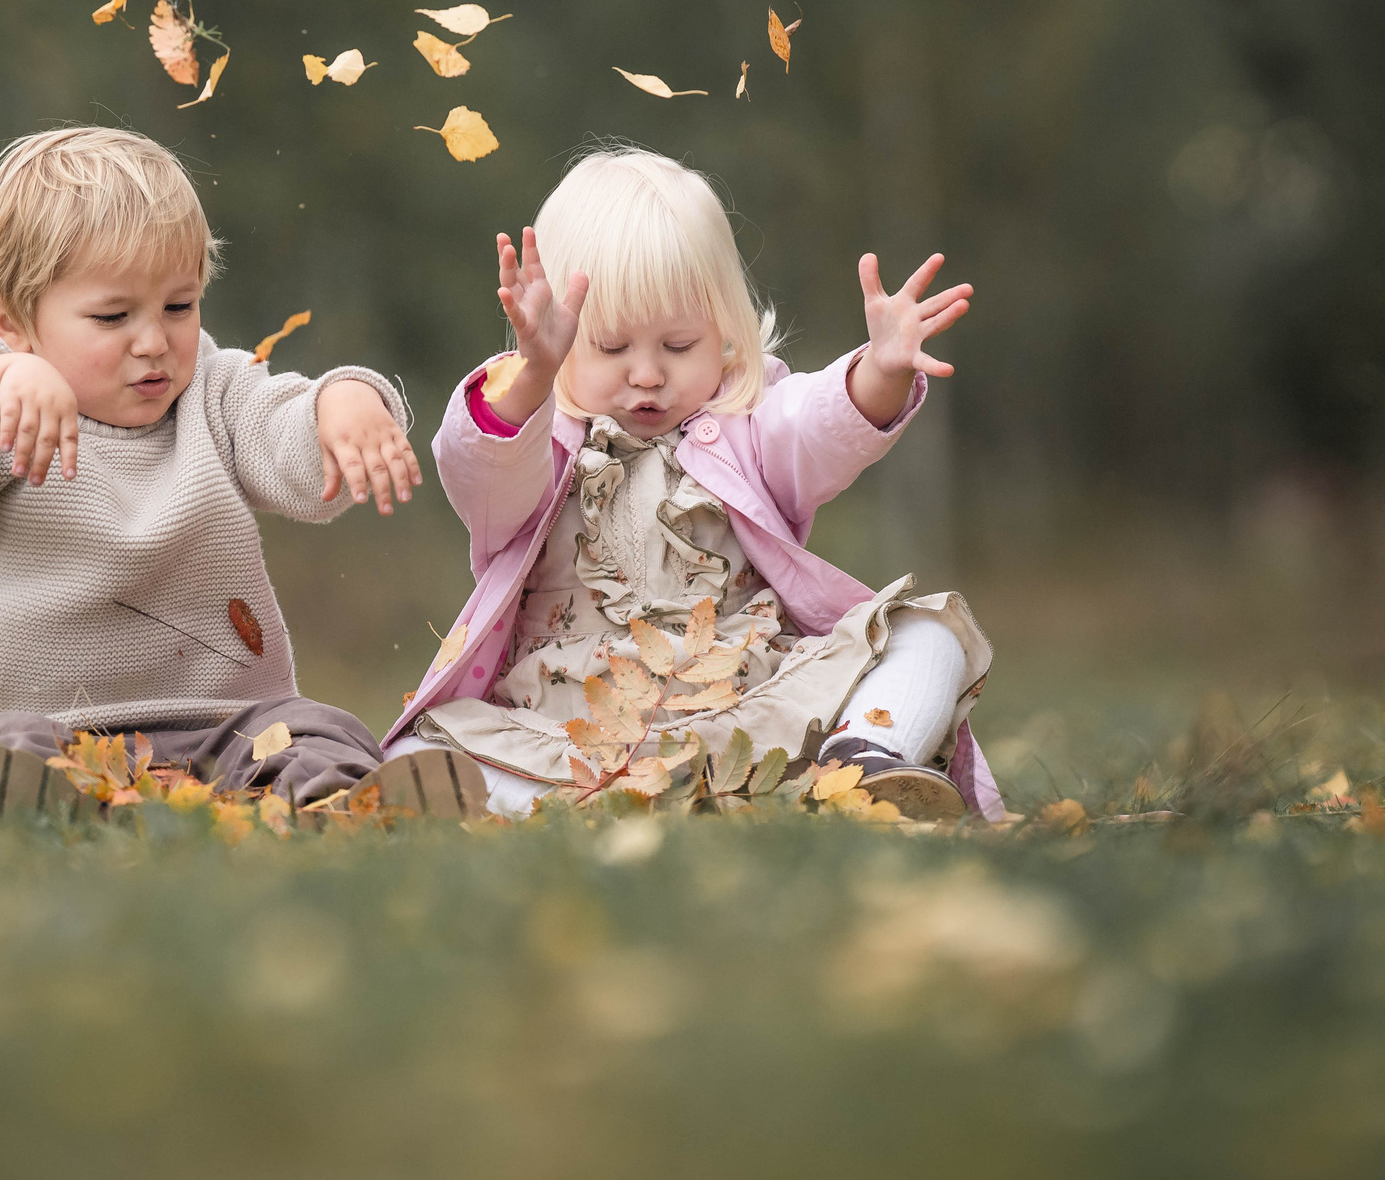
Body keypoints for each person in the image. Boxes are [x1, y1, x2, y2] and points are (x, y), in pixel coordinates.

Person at [0, 125, 486, 819]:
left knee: (320, 728)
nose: (154, 340)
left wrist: (346, 403)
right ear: (10, 320)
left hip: (226, 730)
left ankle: (343, 810)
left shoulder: (213, 397)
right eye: (112, 315)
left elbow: (289, 437)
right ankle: (33, 803)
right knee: (10, 746)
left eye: (178, 306)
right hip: (56, 731)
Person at [383, 146, 1002, 821]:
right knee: (422, 749)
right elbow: (476, 474)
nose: (646, 373)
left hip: (744, 706)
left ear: (726, 336)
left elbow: (818, 428)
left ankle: (860, 762)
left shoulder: (748, 423)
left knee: (928, 632)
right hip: (569, 724)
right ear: (556, 345)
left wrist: (880, 371)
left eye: (678, 346)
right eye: (612, 347)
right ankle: (576, 805)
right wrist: (529, 381)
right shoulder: (541, 441)